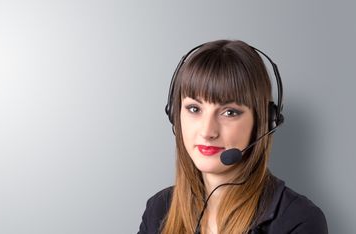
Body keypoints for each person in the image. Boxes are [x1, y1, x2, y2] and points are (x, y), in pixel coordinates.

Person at [138, 40, 327, 234]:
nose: (207, 131)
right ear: (174, 114)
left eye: (229, 112)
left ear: (263, 121)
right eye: (194, 109)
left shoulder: (298, 220)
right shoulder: (159, 209)